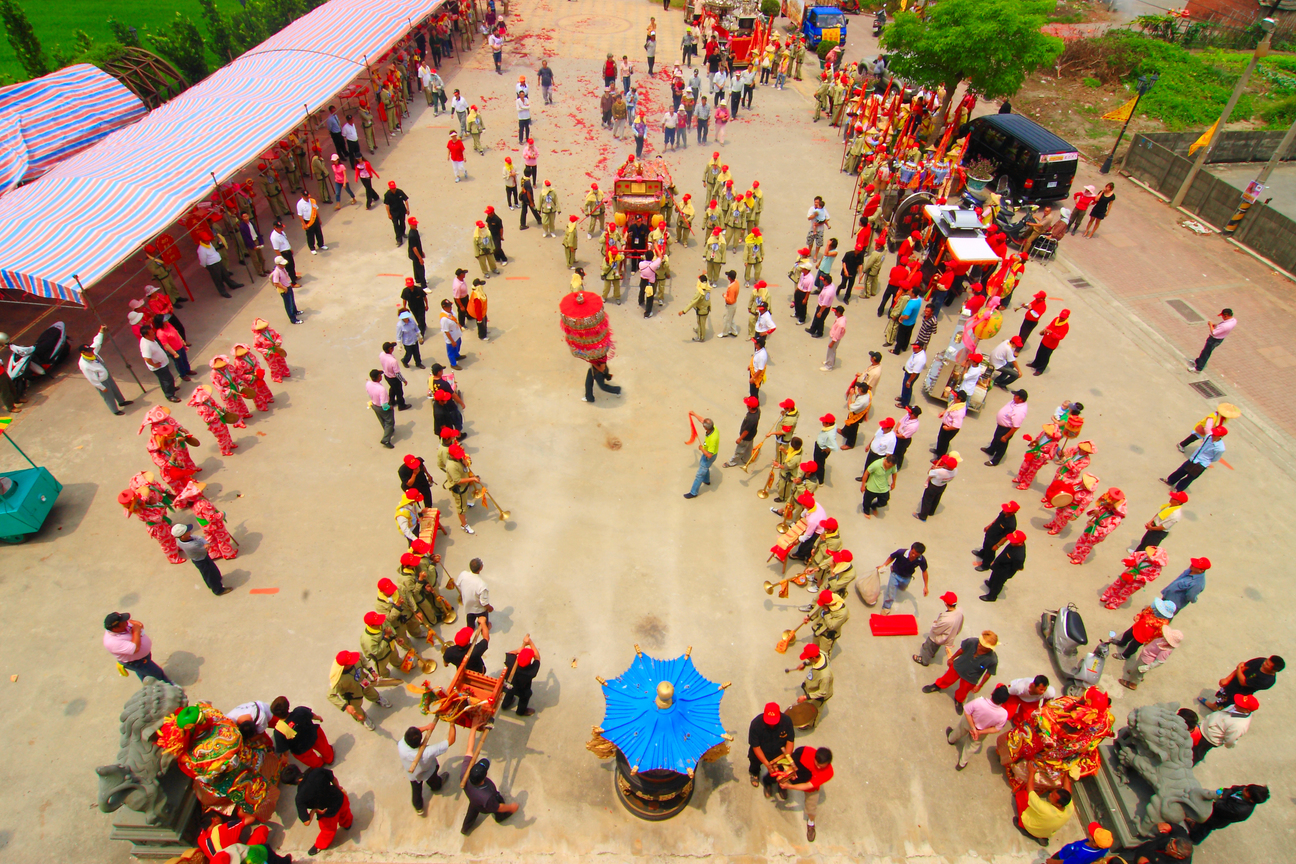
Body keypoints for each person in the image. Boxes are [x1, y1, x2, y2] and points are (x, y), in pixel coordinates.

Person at [281, 764, 352, 856]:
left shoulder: (300, 798)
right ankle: (347, 824)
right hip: (340, 798)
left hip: (327, 813)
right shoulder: (317, 771)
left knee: (328, 831)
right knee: (345, 813)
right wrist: (338, 788)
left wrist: (314, 810)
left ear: (291, 783)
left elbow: (306, 822)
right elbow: (333, 779)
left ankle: (320, 845)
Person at [923, 630, 998, 713]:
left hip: (971, 677)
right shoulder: (972, 642)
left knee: (964, 690)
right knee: (947, 678)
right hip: (959, 666)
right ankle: (937, 685)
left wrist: (980, 685)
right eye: (980, 641)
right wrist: (952, 658)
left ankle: (959, 700)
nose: (979, 644)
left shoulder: (992, 660)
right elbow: (961, 650)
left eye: (983, 645)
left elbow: (988, 674)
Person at [946, 683, 1010, 770]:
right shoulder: (1003, 714)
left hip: (969, 722)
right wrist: (979, 732)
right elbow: (996, 729)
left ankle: (951, 739)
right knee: (971, 746)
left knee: (959, 731)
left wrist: (973, 728)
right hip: (982, 731)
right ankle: (962, 763)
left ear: (992, 693)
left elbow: (967, 712)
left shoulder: (980, 701)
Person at [776, 745, 833, 842]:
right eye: (817, 764)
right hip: (797, 775)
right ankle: (782, 786)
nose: (818, 767)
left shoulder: (828, 773)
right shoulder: (804, 752)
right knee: (783, 779)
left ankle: (811, 822)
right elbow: (791, 762)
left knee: (811, 808)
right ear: (815, 756)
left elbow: (808, 786)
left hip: (810, 786)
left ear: (828, 764)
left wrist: (790, 786)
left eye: (821, 766)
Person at [400, 721, 455, 813]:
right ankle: (436, 786)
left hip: (413, 775)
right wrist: (452, 724)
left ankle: (419, 808)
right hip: (428, 772)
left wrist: (426, 727)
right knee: (435, 782)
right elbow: (451, 740)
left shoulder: (401, 744)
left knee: (416, 790)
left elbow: (413, 734)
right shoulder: (428, 752)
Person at [1015, 762, 1074, 847]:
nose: (1050, 795)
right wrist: (1066, 775)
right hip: (1047, 833)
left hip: (1030, 827)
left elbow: (1030, 790)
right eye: (1052, 793)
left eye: (1053, 796)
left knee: (1021, 795)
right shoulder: (1069, 808)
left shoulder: (1045, 809)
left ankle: (1024, 827)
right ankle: (1042, 837)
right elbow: (1068, 791)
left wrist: (1032, 772)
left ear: (1058, 805)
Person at [1187, 784, 1269, 844]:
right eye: (1247, 788)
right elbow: (1233, 788)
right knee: (1201, 823)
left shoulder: (1240, 810)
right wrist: (1224, 794)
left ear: (1251, 800)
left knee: (1204, 828)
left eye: (1247, 791)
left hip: (1216, 819)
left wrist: (1221, 795)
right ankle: (1195, 825)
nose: (1244, 789)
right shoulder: (1246, 790)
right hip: (1219, 808)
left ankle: (1193, 839)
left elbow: (1220, 806)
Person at [103, 612, 171, 683]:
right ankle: (169, 685)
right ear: (115, 629)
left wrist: (137, 627)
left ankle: (147, 684)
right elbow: (135, 648)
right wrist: (136, 631)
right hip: (137, 662)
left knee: (144, 674)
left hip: (143, 657)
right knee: (157, 673)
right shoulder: (112, 642)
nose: (127, 622)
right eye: (123, 622)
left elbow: (139, 625)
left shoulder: (123, 626)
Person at [78, 327, 133, 415]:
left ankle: (121, 401)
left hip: (106, 376)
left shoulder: (92, 353)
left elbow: (97, 342)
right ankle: (115, 410)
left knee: (115, 389)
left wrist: (101, 332)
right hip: (101, 381)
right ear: (83, 352)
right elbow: (91, 378)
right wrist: (101, 387)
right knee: (108, 396)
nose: (91, 352)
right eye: (89, 351)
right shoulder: (84, 364)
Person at [269, 696, 333, 769]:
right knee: (323, 747)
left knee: (310, 759)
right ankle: (329, 758)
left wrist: (285, 757)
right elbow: (312, 715)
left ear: (275, 715)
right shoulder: (300, 711)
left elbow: (284, 749)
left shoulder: (278, 731)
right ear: (288, 706)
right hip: (313, 735)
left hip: (301, 749)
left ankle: (319, 765)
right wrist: (318, 718)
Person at [1203, 655, 1283, 710]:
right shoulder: (1261, 661)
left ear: (1274, 670)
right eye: (1266, 661)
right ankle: (1217, 704)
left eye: (1267, 664)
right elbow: (1243, 667)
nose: (1264, 663)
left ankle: (1214, 707)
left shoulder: (1267, 681)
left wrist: (1238, 668)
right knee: (1223, 694)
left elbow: (1243, 682)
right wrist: (1228, 679)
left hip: (1239, 693)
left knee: (1227, 701)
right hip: (1232, 684)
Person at [462, 758, 519, 834]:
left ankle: (465, 828)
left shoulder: (463, 775)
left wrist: (470, 746)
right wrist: (511, 807)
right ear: (484, 776)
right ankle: (500, 818)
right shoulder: (487, 797)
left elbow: (468, 755)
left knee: (471, 813)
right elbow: (499, 807)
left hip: (473, 801)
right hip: (484, 806)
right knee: (498, 803)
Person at [747, 701, 795, 793]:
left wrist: (787, 758)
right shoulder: (756, 724)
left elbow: (790, 741)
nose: (771, 724)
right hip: (760, 751)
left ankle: (778, 783)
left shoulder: (787, 721)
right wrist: (767, 764)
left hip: (778, 753)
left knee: (779, 770)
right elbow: (756, 747)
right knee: (754, 764)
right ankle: (755, 773)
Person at [1196, 694, 1257, 764]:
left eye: (1240, 705)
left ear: (1246, 711)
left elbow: (1230, 741)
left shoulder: (1239, 725)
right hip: (1202, 728)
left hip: (1208, 739)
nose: (1236, 704)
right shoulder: (1235, 707)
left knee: (1196, 753)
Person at [1161, 426, 1226, 492]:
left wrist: (1205, 460)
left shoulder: (1220, 448)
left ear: (1221, 436)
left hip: (1202, 464)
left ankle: (1178, 489)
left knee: (1189, 477)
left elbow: (1215, 458)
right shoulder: (1208, 436)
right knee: (1181, 470)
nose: (1213, 435)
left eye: (1215, 434)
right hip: (1194, 458)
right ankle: (1170, 481)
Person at [172, 523, 230, 595]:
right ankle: (218, 590)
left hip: (200, 557)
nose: (190, 532)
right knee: (209, 574)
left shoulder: (182, 540)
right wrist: (207, 544)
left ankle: (215, 580)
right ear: (183, 536)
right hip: (201, 560)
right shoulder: (191, 546)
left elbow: (198, 537)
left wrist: (205, 543)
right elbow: (204, 549)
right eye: (187, 531)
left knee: (211, 570)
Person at [913, 593, 963, 667]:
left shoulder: (946, 620)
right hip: (946, 636)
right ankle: (932, 654)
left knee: (928, 647)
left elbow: (936, 630)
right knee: (936, 647)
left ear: (946, 603)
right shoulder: (959, 612)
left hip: (937, 637)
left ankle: (924, 660)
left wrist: (935, 623)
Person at [983, 389, 1029, 466]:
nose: (1014, 396)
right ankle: (991, 450)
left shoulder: (1020, 411)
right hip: (1001, 425)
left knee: (1001, 445)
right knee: (996, 438)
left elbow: (1016, 427)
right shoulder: (1015, 402)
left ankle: (995, 460)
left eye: (1016, 396)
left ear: (1021, 399)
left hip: (1006, 429)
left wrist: (1006, 436)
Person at [879, 543, 929, 613]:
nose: (914, 555)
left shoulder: (921, 560)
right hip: (895, 575)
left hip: (907, 577)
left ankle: (899, 587)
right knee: (891, 593)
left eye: (916, 555)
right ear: (911, 549)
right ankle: (886, 608)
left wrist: (926, 586)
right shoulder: (901, 552)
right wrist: (884, 565)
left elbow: (924, 572)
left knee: (902, 588)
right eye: (913, 553)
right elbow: (891, 557)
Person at [979, 531, 1027, 602]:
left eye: (1013, 541)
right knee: (993, 575)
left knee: (998, 583)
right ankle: (990, 584)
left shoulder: (1019, 555)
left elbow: (1017, 567)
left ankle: (992, 596)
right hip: (999, 564)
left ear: (1020, 543)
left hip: (1004, 571)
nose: (1011, 541)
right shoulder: (1013, 544)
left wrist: (1006, 574)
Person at [500, 634, 541, 715]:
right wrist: (530, 642)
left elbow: (509, 653)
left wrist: (518, 650)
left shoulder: (511, 662)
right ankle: (520, 711)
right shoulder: (531, 671)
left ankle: (505, 704)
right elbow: (537, 658)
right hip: (522, 690)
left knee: (509, 692)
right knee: (526, 696)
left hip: (509, 685)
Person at [974, 501, 1019, 568]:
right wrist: (989, 526)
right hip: (991, 532)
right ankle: (982, 554)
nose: (1004, 510)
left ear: (1012, 512)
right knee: (985, 544)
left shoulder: (1011, 524)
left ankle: (986, 565)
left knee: (990, 552)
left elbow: (1006, 537)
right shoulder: (1004, 512)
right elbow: (997, 519)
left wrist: (997, 545)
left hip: (995, 540)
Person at [914, 454, 958, 521]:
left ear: (947, 466)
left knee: (927, 500)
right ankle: (931, 511)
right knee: (936, 499)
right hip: (942, 486)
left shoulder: (939, 472)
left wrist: (934, 467)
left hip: (933, 486)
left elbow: (929, 473)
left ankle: (922, 516)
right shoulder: (955, 471)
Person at [684, 417, 719, 499]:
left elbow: (709, 455)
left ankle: (693, 492)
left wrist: (701, 449)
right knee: (704, 466)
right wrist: (694, 414)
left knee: (699, 474)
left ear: (706, 428)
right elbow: (702, 420)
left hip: (709, 456)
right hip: (709, 454)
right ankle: (706, 480)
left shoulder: (713, 439)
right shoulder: (714, 428)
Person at [1026, 310, 1070, 375]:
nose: (1061, 318)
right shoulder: (1056, 319)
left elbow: (1061, 337)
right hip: (1045, 339)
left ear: (1067, 317)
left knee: (1045, 357)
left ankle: (1040, 369)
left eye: (1063, 317)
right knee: (1039, 352)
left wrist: (1052, 333)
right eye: (1060, 316)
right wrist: (1045, 330)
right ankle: (1035, 363)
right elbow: (1050, 326)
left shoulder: (1065, 326)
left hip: (1051, 344)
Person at [724, 396, 761, 467]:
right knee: (749, 448)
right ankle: (746, 459)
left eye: (747, 405)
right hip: (752, 434)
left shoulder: (751, 418)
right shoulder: (758, 411)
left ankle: (732, 462)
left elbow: (746, 431)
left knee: (739, 451)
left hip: (746, 437)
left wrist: (740, 438)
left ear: (750, 407)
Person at [931, 392, 966, 460]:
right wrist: (943, 412)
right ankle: (938, 451)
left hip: (950, 429)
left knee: (944, 443)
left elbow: (957, 425)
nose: (954, 397)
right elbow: (950, 408)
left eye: (955, 396)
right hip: (945, 425)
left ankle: (940, 457)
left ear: (959, 399)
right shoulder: (955, 404)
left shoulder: (959, 411)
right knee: (940, 438)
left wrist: (947, 429)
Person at [366, 369, 395, 449]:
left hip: (374, 405)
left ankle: (387, 431)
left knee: (382, 420)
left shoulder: (368, 384)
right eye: (380, 375)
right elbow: (384, 405)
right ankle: (386, 439)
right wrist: (390, 407)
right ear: (378, 377)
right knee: (389, 422)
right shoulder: (381, 389)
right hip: (381, 407)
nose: (381, 376)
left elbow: (369, 394)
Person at [897, 342, 926, 409]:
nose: (913, 348)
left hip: (911, 375)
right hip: (908, 372)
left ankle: (905, 403)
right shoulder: (916, 352)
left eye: (915, 348)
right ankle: (903, 397)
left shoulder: (920, 359)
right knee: (904, 386)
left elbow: (915, 373)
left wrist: (909, 381)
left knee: (907, 388)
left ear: (920, 348)